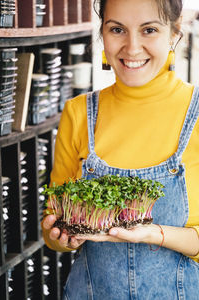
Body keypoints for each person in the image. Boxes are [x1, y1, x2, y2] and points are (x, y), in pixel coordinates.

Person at [42, 0, 199, 299]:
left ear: (175, 33)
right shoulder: (78, 113)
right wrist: (63, 238)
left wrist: (153, 234)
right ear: (102, 33)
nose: (132, 47)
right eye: (117, 29)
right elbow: (53, 230)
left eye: (149, 29)